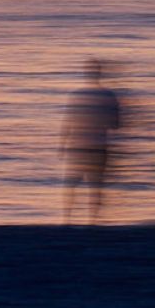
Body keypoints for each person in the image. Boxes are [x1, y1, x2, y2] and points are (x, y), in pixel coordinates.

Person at [60, 58, 122, 225]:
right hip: (98, 146)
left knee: (71, 185)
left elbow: (67, 122)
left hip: (77, 146)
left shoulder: (76, 95)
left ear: (86, 74)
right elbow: (115, 125)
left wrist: (62, 146)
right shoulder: (109, 96)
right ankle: (92, 221)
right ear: (100, 73)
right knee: (95, 186)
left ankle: (66, 220)